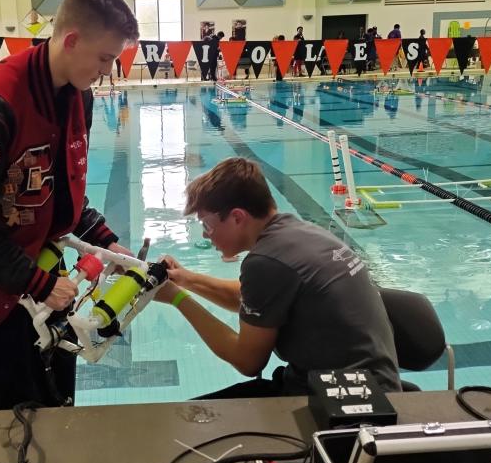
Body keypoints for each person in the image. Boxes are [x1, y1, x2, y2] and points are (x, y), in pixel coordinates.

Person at [0, 0, 139, 411]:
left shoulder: (78, 99)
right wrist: (37, 284)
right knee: (14, 418)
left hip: (42, 269)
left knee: (58, 401)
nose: (107, 71)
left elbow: (55, 187)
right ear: (72, 40)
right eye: (104, 58)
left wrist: (102, 237)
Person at [153, 157, 402, 396]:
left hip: (345, 401)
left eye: (207, 225)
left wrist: (177, 299)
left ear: (237, 217)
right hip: (372, 385)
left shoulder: (265, 262)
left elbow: (247, 362)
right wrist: (185, 278)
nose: (206, 236)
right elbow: (250, 298)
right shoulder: (298, 231)